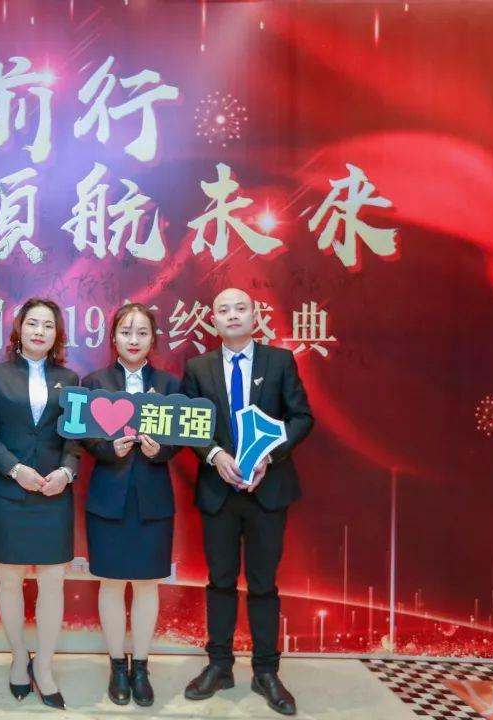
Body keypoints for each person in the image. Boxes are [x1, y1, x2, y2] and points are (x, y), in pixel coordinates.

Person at [180, 287, 313, 717]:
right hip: (219, 491)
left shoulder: (280, 361)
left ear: (255, 316)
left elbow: (302, 417)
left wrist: (269, 457)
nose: (233, 315)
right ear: (213, 320)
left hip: (267, 490)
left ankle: (266, 671)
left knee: (262, 584)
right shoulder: (198, 368)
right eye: (224, 310)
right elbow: (189, 423)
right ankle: (219, 666)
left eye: (241, 308)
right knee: (220, 580)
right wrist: (215, 456)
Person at [0, 298, 81, 710]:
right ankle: (19, 658)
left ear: (57, 334)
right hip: (10, 492)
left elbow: (76, 436)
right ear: (19, 329)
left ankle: (46, 666)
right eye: (33, 323)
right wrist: (15, 469)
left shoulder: (69, 378)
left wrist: (67, 472)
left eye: (48, 325)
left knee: (53, 581)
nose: (40, 331)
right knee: (9, 579)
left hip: (54, 493)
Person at [80, 303, 180, 707]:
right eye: (126, 332)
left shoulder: (170, 384)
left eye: (142, 333)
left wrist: (161, 450)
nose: (133, 340)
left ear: (153, 339)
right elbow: (83, 435)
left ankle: (141, 666)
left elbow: (182, 436)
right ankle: (116, 666)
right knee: (110, 583)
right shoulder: (95, 381)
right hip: (108, 497)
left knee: (146, 585)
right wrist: (108, 448)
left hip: (153, 498)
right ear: (113, 338)